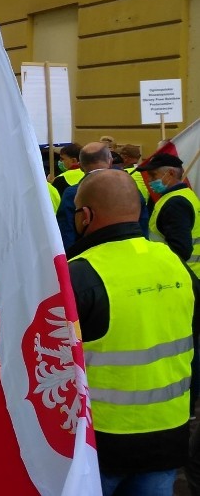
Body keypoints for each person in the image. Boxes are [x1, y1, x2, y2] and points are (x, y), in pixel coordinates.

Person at [67, 169, 197, 495]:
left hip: (103, 444)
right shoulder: (173, 263)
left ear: (86, 215)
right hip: (170, 434)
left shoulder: (78, 274)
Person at [138, 153, 200, 274]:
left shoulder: (175, 203)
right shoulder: (186, 195)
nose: (149, 180)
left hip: (181, 274)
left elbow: (180, 249)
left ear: (171, 173)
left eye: (153, 175)